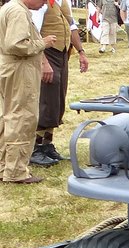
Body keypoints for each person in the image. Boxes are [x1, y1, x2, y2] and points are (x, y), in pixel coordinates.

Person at [0, 0, 55, 183]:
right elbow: (16, 45)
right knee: (22, 116)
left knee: (6, 117)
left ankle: (4, 167)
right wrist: (42, 43)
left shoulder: (9, 8)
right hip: (19, 70)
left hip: (9, 68)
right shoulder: (18, 12)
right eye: (43, 0)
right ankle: (16, 171)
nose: (44, 4)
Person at [30, 0, 87, 166]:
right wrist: (43, 62)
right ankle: (35, 148)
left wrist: (81, 52)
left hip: (61, 53)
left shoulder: (64, 1)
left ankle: (47, 145)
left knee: (56, 101)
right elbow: (33, 31)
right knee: (45, 100)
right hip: (47, 52)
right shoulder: (39, 3)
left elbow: (71, 26)